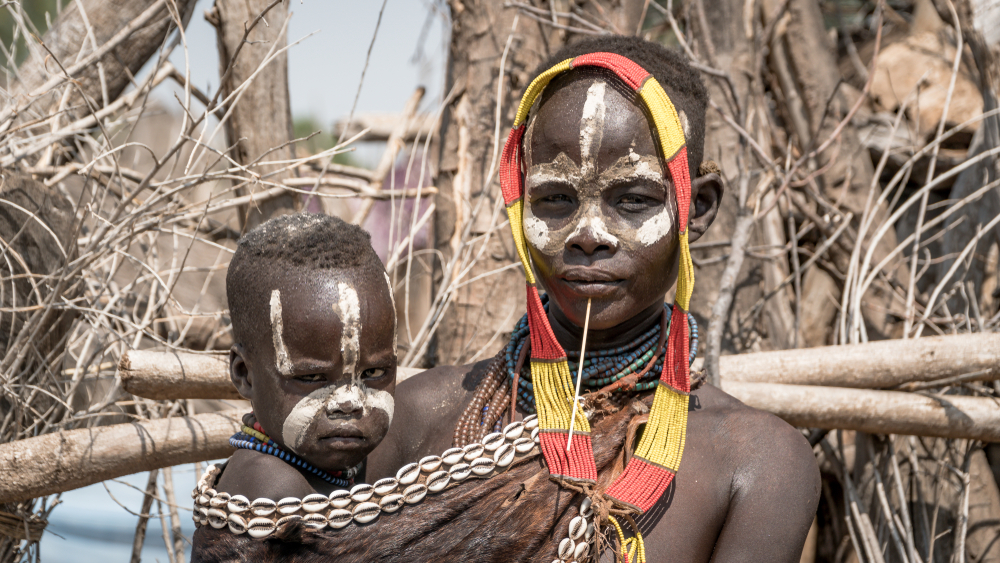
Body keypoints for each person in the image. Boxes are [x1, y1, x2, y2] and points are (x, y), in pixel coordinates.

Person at [367, 35, 821, 562]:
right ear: (517, 203)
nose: (588, 233)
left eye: (632, 199)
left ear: (696, 209)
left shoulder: (757, 463)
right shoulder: (416, 419)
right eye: (556, 199)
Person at [191, 214, 398, 555]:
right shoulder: (270, 492)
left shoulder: (336, 465)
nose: (349, 401)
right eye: (312, 378)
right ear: (244, 374)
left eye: (374, 373)